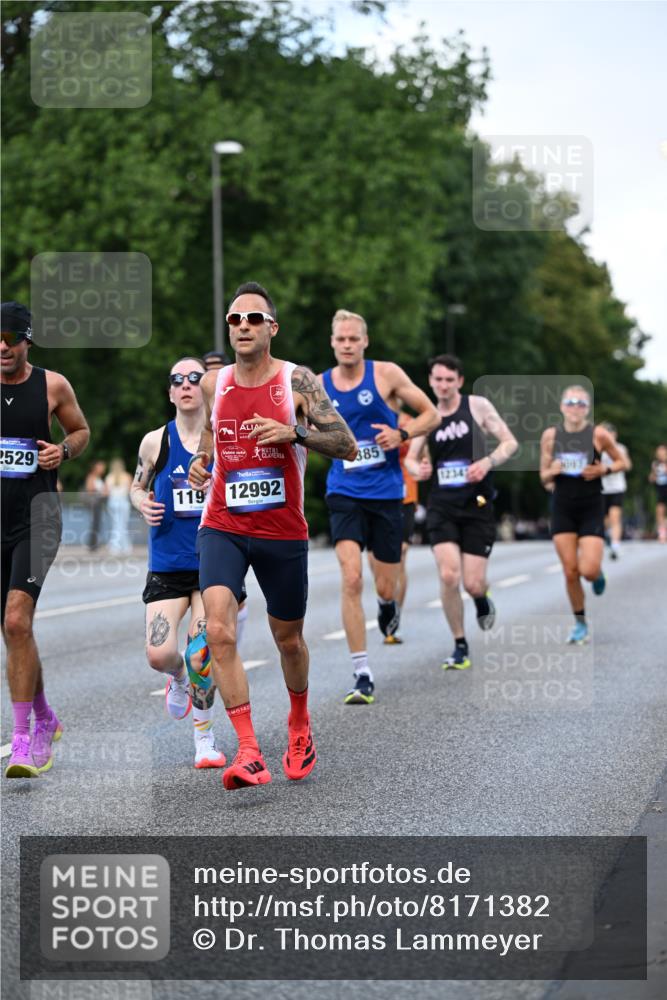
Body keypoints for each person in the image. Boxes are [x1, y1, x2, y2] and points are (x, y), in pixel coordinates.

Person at [188, 282, 357, 790]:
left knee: (289, 640)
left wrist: (295, 433)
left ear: (272, 328)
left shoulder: (296, 380)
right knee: (219, 630)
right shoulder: (215, 383)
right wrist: (201, 460)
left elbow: (347, 444)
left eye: (254, 319)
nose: (243, 326)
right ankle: (248, 751)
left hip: (282, 530)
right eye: (235, 319)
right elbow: (211, 432)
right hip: (223, 523)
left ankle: (300, 723)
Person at [131, 356, 247, 769]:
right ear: (170, 392)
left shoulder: (225, 439)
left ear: (207, 388)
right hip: (167, 563)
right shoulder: (155, 441)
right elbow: (137, 485)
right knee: (159, 655)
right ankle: (178, 678)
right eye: (177, 379)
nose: (185, 384)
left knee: (201, 652)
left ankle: (205, 740)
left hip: (212, 560)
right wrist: (141, 502)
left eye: (194, 378)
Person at [320, 309, 440, 704]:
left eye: (354, 339)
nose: (347, 345)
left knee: (386, 583)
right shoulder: (318, 385)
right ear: (332, 342)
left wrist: (401, 433)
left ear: (365, 342)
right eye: (341, 339)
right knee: (352, 578)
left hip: (387, 494)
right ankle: (361, 672)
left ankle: (387, 603)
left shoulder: (386, 374)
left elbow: (431, 414)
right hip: (343, 491)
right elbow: (295, 427)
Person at [1, 301, 90, 777]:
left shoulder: (52, 385)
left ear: (27, 341)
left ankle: (21, 741)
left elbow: (81, 431)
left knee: (17, 621)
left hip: (38, 519)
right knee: (13, 631)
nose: (2, 347)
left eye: (10, 339)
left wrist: (63, 451)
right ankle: (44, 714)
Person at [405, 354, 518, 670]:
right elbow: (411, 459)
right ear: (430, 381)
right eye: (438, 379)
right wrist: (418, 469)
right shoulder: (427, 416)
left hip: (477, 504)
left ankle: (481, 598)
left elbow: (509, 443)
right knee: (448, 574)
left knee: (473, 583)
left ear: (459, 381)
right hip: (441, 505)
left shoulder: (477, 406)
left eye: (449, 380)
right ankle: (459, 643)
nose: (443, 385)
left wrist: (487, 462)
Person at [540, 386, 626, 644]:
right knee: (570, 571)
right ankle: (580, 623)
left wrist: (604, 471)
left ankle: (597, 574)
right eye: (570, 402)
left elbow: (623, 462)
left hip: (591, 506)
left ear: (587, 409)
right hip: (563, 508)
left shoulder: (598, 435)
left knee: (587, 570)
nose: (575, 407)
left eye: (581, 403)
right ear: (562, 406)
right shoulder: (551, 435)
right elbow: (543, 476)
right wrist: (552, 471)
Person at [367, 410, 419, 645]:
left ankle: (395, 616)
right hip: (374, 492)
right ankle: (386, 599)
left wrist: (422, 464)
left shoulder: (409, 422)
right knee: (374, 561)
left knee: (401, 555)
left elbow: (422, 455)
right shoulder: (369, 415)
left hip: (404, 493)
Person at [600, 422, 631, 560]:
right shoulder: (597, 449)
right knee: (604, 520)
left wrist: (615, 466)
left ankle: (615, 546)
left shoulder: (620, 448)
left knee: (615, 517)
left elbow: (628, 465)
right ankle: (608, 535)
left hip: (617, 487)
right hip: (601, 489)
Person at [105, 457, 133, 555]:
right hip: (123, 502)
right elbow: (130, 491)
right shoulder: (127, 476)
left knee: (116, 524)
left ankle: (116, 546)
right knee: (122, 525)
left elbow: (106, 492)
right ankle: (125, 547)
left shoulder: (109, 477)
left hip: (112, 502)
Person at [84, 459, 107, 551]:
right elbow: (89, 489)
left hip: (99, 503)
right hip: (94, 503)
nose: (103, 469)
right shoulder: (91, 477)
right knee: (94, 523)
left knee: (97, 524)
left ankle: (94, 542)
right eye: (101, 467)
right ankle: (92, 544)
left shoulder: (99, 478)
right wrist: (100, 492)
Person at [648, 445, 667, 543]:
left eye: (662, 452)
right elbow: (651, 479)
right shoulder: (655, 464)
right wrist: (654, 474)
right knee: (659, 512)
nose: (660, 454)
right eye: (658, 452)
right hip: (660, 490)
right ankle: (662, 534)